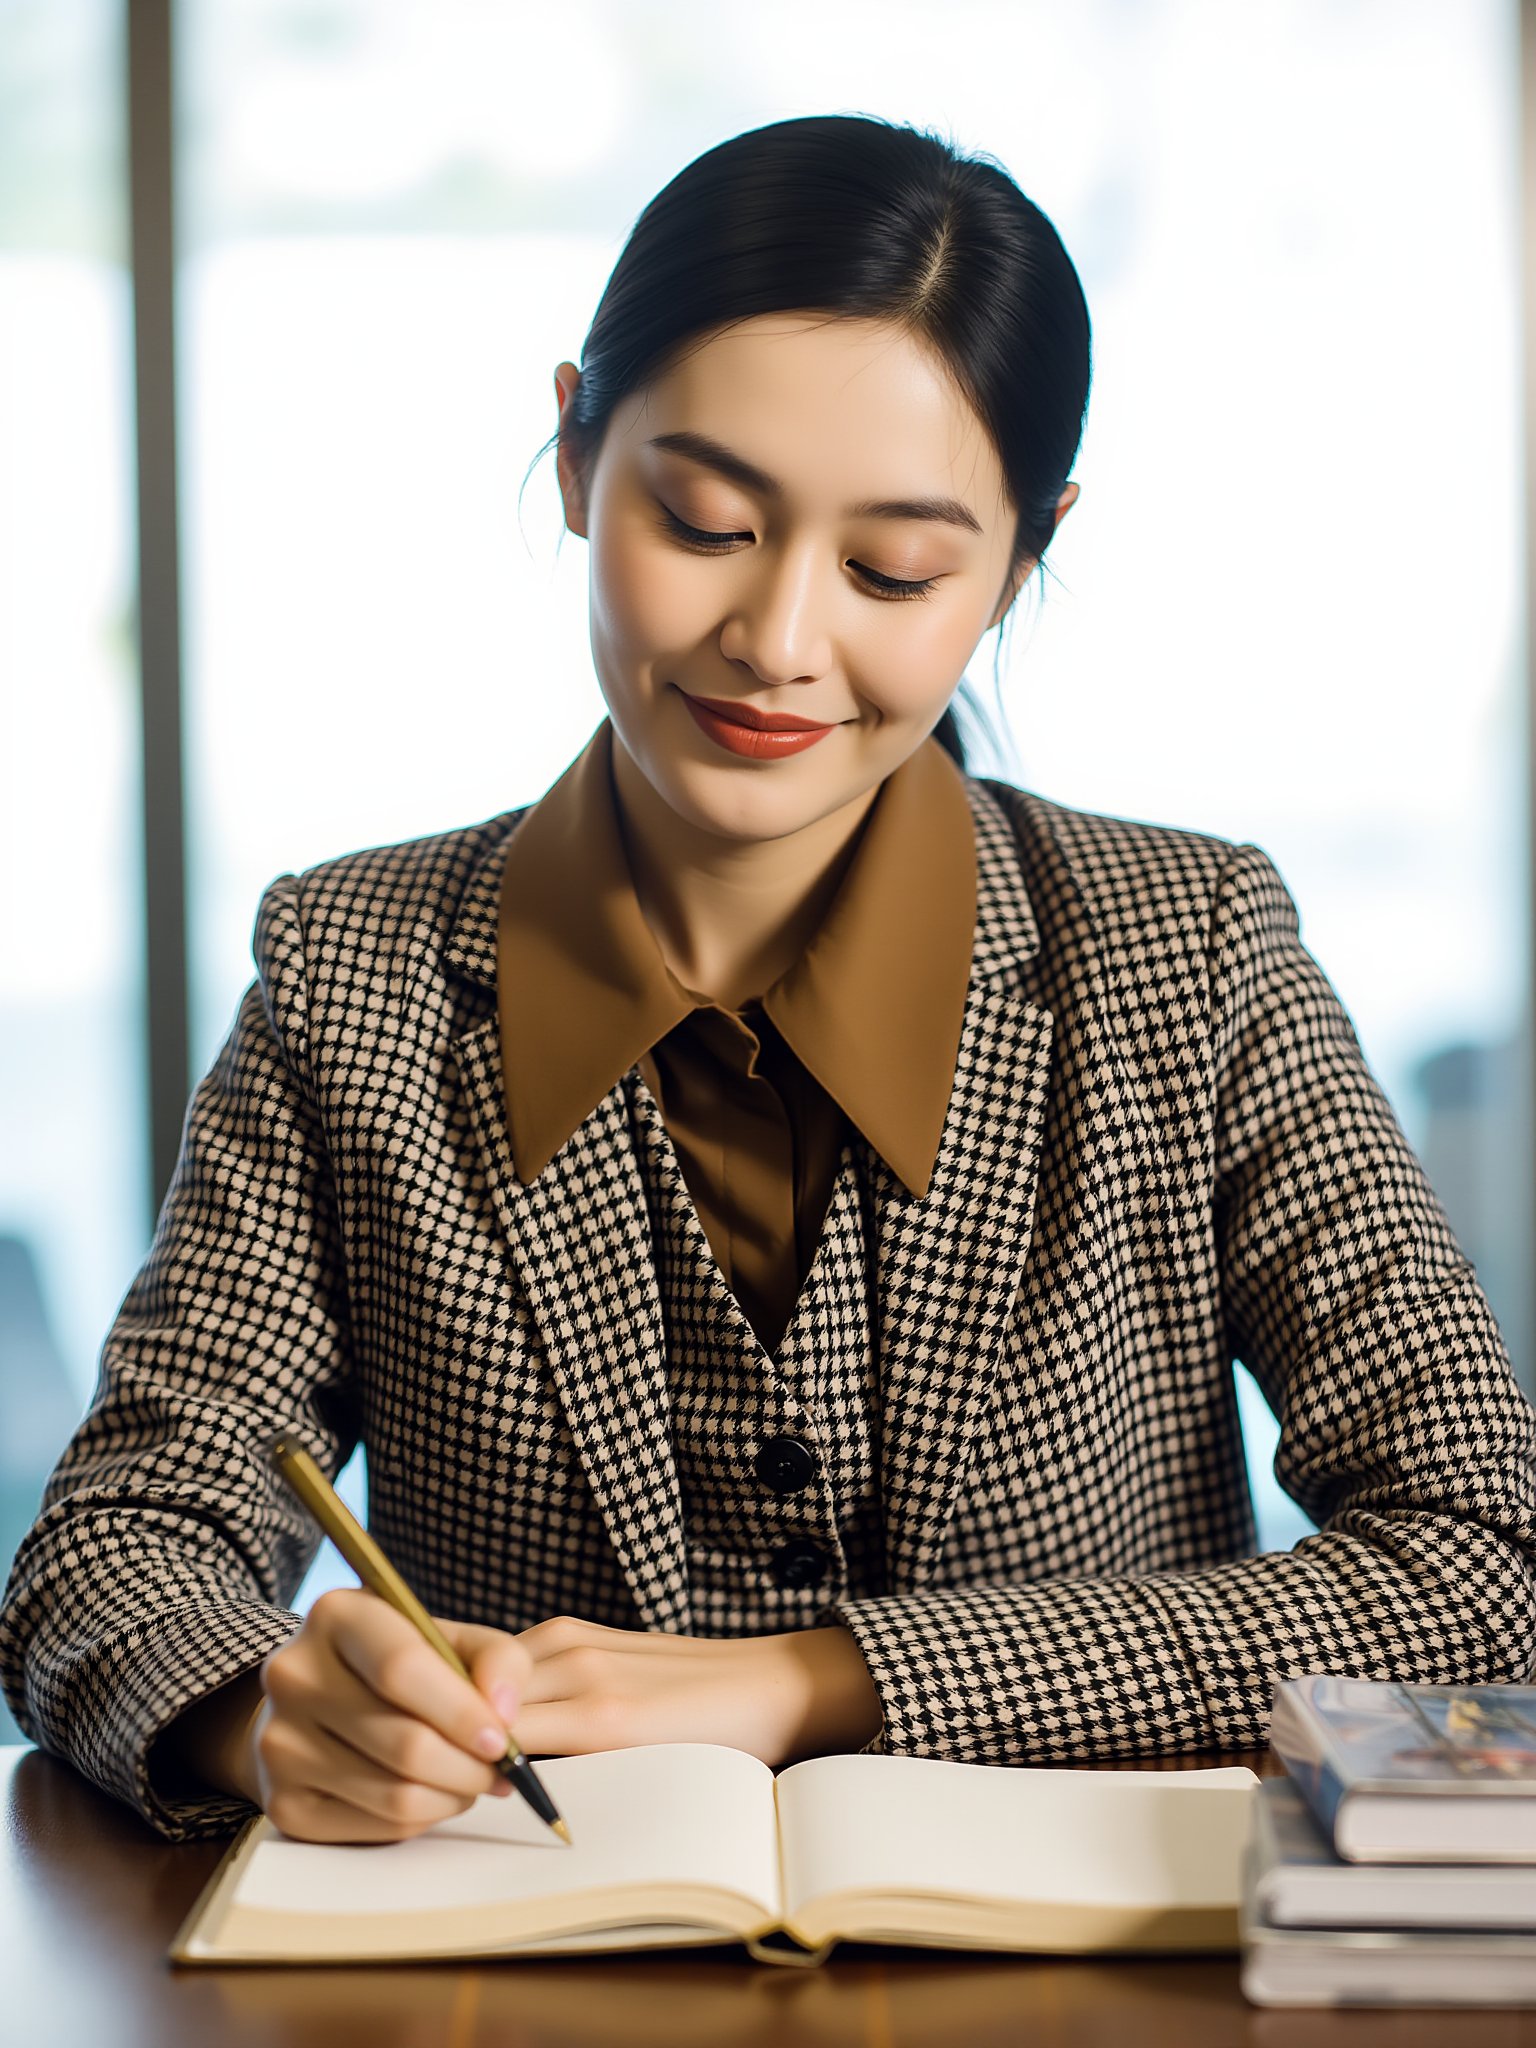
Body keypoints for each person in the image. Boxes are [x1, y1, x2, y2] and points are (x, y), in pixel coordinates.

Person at [2, 113, 1533, 1849]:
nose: (782, 641)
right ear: (577, 450)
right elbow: (114, 1548)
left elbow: (1485, 1561)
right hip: (528, 1981)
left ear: (1023, 558)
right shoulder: (351, 976)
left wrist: (818, 1678)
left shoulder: (1193, 954)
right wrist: (264, 1713)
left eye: (895, 569)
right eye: (707, 520)